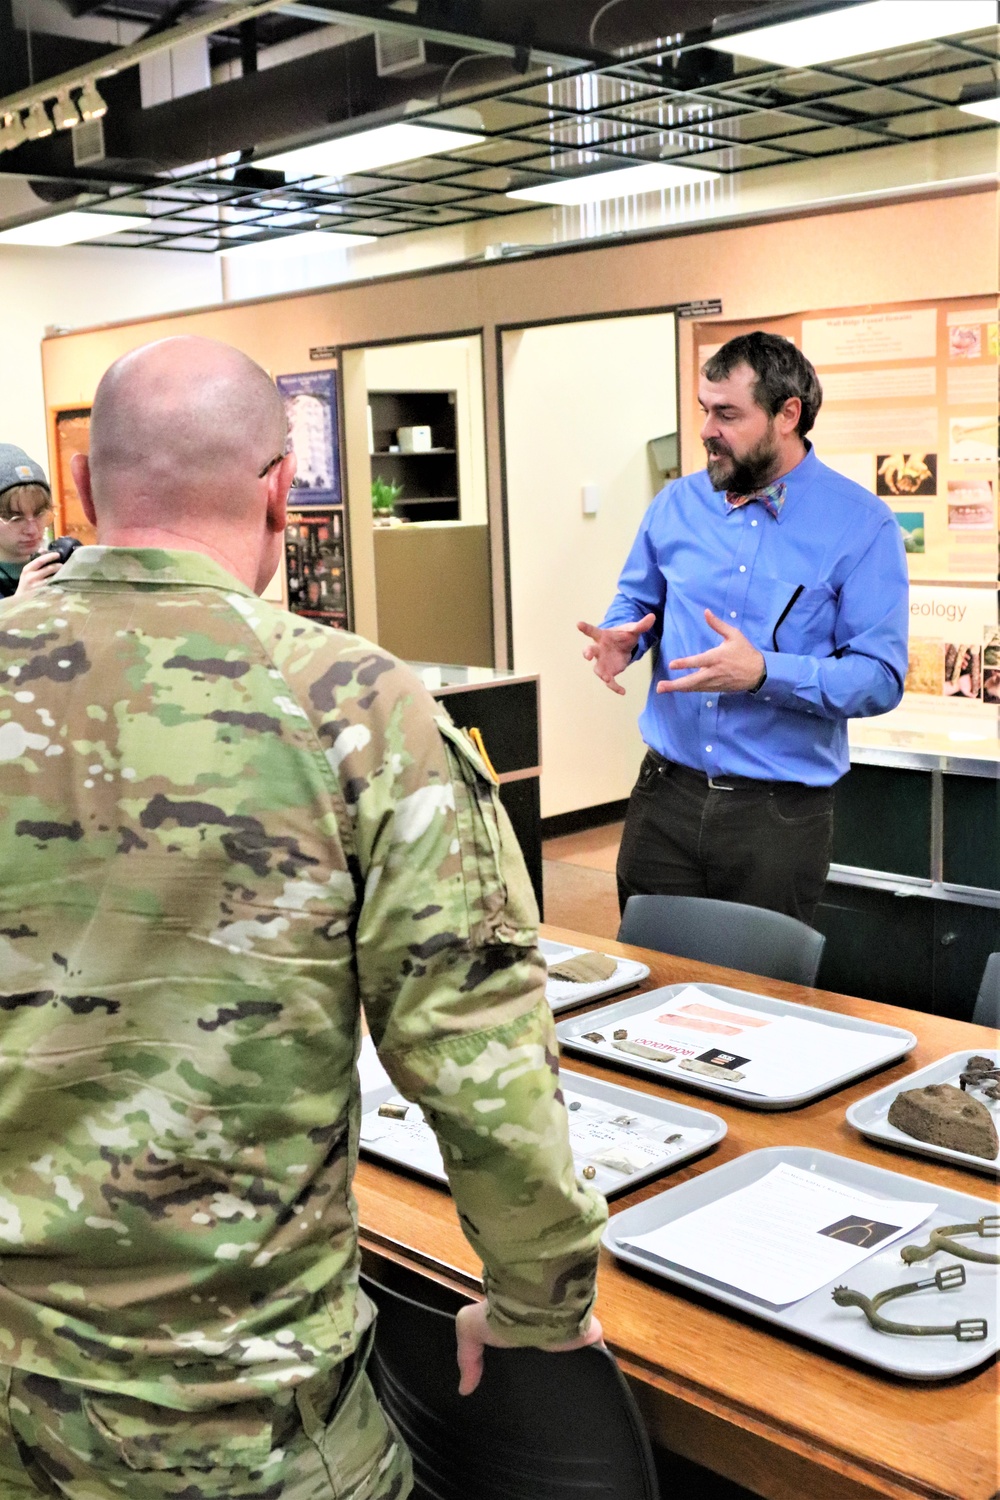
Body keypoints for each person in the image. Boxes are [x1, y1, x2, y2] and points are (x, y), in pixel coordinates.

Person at [0, 335, 606, 1499]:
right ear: (281, 487)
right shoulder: (353, 705)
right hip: (250, 1434)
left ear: (82, 491)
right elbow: (479, 1061)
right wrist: (538, 1300)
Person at [578, 331, 909, 925]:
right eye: (705, 409)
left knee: (760, 1007)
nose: (707, 429)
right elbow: (636, 598)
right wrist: (622, 634)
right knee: (652, 987)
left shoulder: (862, 527)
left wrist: (763, 673)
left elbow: (879, 678)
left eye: (727, 414)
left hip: (777, 818)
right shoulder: (676, 504)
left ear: (788, 415)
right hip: (664, 800)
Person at [0, 443, 65, 599]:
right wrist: (18, 603)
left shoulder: (53, 566)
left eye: (39, 514)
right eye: (16, 518)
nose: (32, 530)